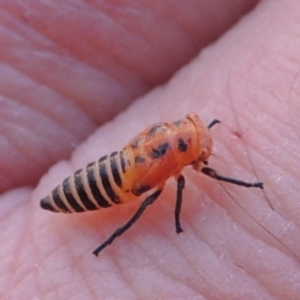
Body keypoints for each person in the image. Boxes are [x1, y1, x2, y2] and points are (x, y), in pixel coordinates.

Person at [1, 1, 299, 299]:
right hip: (110, 183)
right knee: (146, 203)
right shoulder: (178, 165)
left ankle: (115, 233)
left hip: (117, 165)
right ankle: (115, 235)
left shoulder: (165, 136)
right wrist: (248, 184)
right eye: (198, 148)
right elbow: (202, 179)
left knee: (147, 197)